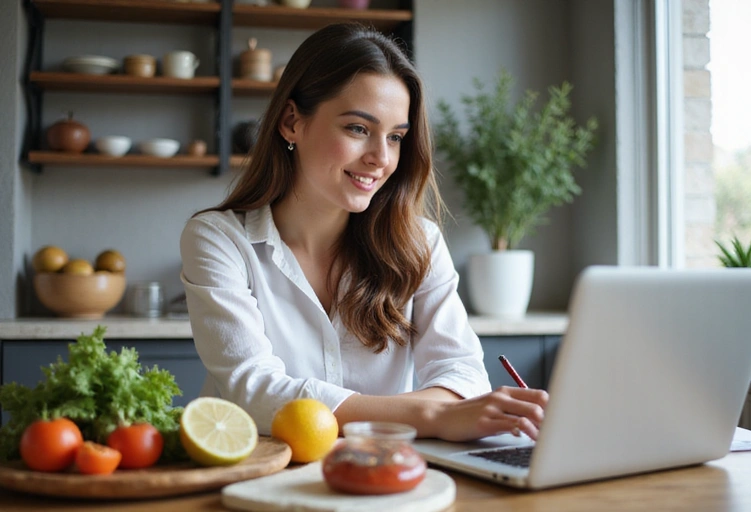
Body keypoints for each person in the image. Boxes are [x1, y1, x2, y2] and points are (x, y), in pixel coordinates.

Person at [180, 22, 547, 442]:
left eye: (395, 137)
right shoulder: (218, 239)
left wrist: (441, 409)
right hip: (262, 481)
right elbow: (255, 391)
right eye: (358, 129)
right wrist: (431, 415)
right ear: (291, 122)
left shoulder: (420, 242)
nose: (381, 158)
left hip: (387, 482)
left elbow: (462, 371)